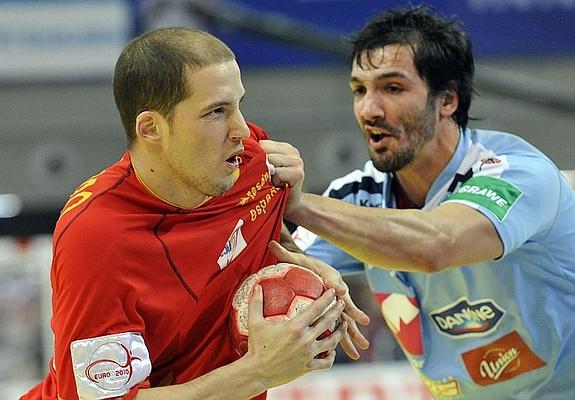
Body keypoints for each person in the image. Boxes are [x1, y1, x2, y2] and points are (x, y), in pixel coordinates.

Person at [21, 28, 369, 400]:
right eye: (217, 111)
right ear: (151, 128)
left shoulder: (251, 163)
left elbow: (254, 238)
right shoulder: (96, 236)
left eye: (238, 104)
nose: (240, 129)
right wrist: (259, 371)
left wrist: (307, 265)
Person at [263, 6, 575, 399]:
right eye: (359, 90)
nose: (369, 110)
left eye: (392, 88)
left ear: (447, 100)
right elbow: (276, 263)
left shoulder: (519, 175)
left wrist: (297, 202)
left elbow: (437, 243)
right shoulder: (357, 195)